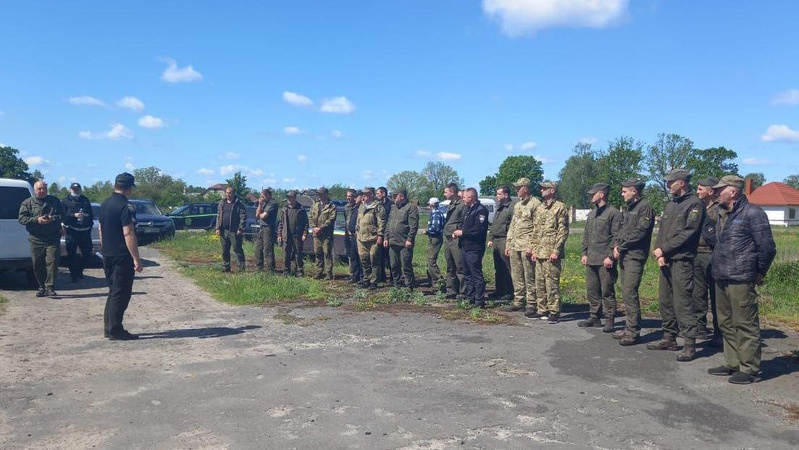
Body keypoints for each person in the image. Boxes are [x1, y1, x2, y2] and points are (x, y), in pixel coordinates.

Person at [707, 175, 776, 384]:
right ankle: (733, 362)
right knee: (726, 322)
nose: (717, 193)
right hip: (721, 274)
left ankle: (749, 368)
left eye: (720, 190)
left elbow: (767, 247)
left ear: (733, 191)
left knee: (744, 323)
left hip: (741, 276)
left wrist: (758, 272)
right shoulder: (721, 213)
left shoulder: (753, 213)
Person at [648, 169, 705, 362]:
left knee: (682, 302)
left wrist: (663, 249)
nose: (667, 185)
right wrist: (659, 252)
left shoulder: (694, 204)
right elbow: (662, 230)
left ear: (681, 183)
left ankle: (690, 344)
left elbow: (688, 233)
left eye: (670, 182)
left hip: (682, 260)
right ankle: (669, 338)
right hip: (666, 259)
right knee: (665, 300)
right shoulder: (671, 204)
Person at [99, 172, 143, 340]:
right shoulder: (126, 206)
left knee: (113, 292)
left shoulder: (105, 204)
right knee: (121, 293)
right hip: (121, 256)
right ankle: (115, 330)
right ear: (129, 188)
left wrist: (105, 250)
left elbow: (101, 230)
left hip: (108, 254)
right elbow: (128, 233)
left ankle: (108, 327)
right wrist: (136, 259)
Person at [612, 178, 655, 346]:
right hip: (625, 253)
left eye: (624, 191)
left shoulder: (645, 207)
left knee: (630, 292)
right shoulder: (630, 208)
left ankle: (633, 332)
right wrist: (617, 245)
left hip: (635, 255)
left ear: (634, 191)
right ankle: (628, 327)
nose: (622, 194)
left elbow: (640, 233)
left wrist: (621, 246)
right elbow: (623, 230)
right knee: (625, 291)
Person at [578, 183, 622, 333]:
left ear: (601, 194)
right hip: (591, 257)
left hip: (605, 259)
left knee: (607, 290)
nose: (591, 196)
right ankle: (594, 316)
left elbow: (616, 236)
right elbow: (587, 235)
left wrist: (610, 256)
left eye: (593, 193)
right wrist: (584, 253)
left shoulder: (613, 213)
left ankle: (609, 319)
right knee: (592, 290)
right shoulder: (592, 213)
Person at [529, 181, 569, 323]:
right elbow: (535, 230)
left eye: (545, 188)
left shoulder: (560, 207)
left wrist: (556, 250)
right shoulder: (540, 208)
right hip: (539, 251)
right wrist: (533, 249)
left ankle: (554, 311)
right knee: (539, 283)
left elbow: (562, 231)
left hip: (551, 252)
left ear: (552, 190)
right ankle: (542, 309)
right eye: (541, 188)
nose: (541, 190)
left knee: (551, 283)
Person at [18, 180, 64, 297]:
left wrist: (53, 219)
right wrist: (37, 220)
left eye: (44, 189)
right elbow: (22, 219)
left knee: (52, 262)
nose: (42, 191)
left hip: (52, 237)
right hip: (36, 238)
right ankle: (42, 286)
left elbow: (63, 215)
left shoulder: (54, 201)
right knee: (38, 264)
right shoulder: (27, 203)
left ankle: (50, 287)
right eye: (39, 189)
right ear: (35, 190)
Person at [506, 178, 540, 314]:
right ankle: (518, 301)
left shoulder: (535, 204)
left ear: (526, 188)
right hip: (515, 245)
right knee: (516, 275)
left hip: (527, 246)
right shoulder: (517, 205)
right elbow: (513, 225)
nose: (516, 190)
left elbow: (537, 228)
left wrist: (532, 246)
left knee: (529, 275)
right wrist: (508, 243)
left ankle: (531, 303)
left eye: (518, 187)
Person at [694, 177, 721, 345]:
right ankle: (700, 328)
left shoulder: (720, 209)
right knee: (698, 294)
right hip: (697, 253)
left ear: (710, 191)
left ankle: (719, 331)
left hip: (713, 253)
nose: (697, 192)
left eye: (700, 189)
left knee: (716, 295)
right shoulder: (698, 207)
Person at [453, 188, 489, 308]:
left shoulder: (481, 210)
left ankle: (479, 300)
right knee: (467, 273)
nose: (462, 198)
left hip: (474, 247)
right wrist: (457, 233)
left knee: (476, 274)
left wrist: (463, 232)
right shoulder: (468, 210)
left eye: (464, 196)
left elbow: (479, 229)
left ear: (471, 197)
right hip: (465, 246)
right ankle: (471, 297)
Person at [383, 189, 419, 290]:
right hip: (392, 241)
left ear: (402, 197)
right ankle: (397, 284)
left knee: (406, 265)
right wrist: (386, 237)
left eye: (395, 196)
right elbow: (389, 224)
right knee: (393, 265)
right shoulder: (393, 208)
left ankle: (409, 286)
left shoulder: (411, 208)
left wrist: (410, 239)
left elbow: (413, 226)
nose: (393, 198)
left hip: (404, 242)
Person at [62, 182, 94, 282]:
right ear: (70, 189)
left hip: (85, 231)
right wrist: (73, 215)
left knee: (87, 254)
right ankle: (73, 275)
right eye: (74, 189)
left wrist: (89, 222)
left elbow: (90, 213)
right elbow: (63, 215)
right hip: (72, 231)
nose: (76, 190)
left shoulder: (85, 200)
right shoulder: (65, 200)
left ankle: (80, 271)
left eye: (77, 189)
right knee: (71, 254)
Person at [487, 185, 514, 302]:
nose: (497, 196)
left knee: (507, 266)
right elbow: (494, 224)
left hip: (505, 239)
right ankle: (499, 289)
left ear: (505, 195)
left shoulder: (512, 207)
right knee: (498, 267)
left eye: (499, 194)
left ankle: (509, 291)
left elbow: (513, 225)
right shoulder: (499, 206)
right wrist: (490, 238)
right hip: (496, 239)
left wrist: (510, 242)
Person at [356, 187, 385, 290]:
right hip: (361, 237)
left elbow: (381, 222)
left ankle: (374, 281)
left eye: (366, 194)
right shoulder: (361, 206)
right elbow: (358, 221)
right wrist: (357, 232)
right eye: (363, 194)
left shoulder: (377, 206)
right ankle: (366, 279)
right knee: (364, 259)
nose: (363, 196)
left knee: (374, 259)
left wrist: (380, 235)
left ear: (371, 194)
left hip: (373, 238)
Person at [214, 187, 247, 273]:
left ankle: (241, 269)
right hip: (223, 230)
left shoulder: (238, 204)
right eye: (227, 193)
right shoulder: (222, 203)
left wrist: (240, 228)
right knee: (225, 250)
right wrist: (217, 228)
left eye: (230, 193)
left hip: (234, 231)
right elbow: (218, 216)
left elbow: (243, 217)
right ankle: (226, 267)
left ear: (233, 194)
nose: (228, 194)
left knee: (237, 249)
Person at [442, 183, 466, 299]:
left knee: (459, 265)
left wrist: (458, 231)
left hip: (456, 239)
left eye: (446, 192)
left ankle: (463, 291)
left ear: (452, 192)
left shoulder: (461, 205)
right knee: (450, 265)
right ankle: (451, 289)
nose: (444, 194)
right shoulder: (451, 204)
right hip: (447, 238)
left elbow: (463, 222)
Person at [277, 191, 308, 277]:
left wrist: (304, 234)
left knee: (298, 254)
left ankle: (300, 271)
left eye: (291, 197)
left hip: (297, 235)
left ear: (294, 198)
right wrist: (279, 234)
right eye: (288, 198)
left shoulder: (300, 209)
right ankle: (286, 271)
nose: (289, 199)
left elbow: (306, 223)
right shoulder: (284, 209)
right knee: (286, 254)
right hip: (286, 235)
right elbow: (280, 223)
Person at [310, 186, 337, 280]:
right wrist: (314, 227)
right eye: (318, 194)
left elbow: (331, 220)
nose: (319, 196)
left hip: (326, 234)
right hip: (316, 234)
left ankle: (328, 273)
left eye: (321, 194)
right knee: (318, 253)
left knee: (327, 253)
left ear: (326, 194)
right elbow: (310, 217)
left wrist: (320, 228)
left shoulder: (332, 206)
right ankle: (318, 272)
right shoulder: (315, 205)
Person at [421, 197, 444, 291]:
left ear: (432, 205)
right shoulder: (436, 213)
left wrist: (427, 231)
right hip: (434, 238)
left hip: (435, 238)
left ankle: (440, 282)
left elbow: (436, 228)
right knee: (429, 259)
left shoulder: (436, 214)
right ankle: (432, 280)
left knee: (431, 260)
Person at [254, 188, 278, 273]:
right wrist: (260, 205)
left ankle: (270, 269)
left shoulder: (272, 204)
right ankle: (259, 267)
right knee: (258, 248)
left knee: (268, 249)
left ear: (268, 195)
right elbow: (257, 215)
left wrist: (260, 213)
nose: (261, 198)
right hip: (261, 228)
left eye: (263, 196)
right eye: (261, 197)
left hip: (268, 228)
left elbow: (264, 216)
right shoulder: (263, 204)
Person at [343, 189, 363, 284]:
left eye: (353, 196)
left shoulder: (360, 208)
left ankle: (361, 277)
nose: (350, 198)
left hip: (358, 235)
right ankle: (354, 275)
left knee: (359, 257)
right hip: (348, 234)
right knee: (352, 256)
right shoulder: (347, 207)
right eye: (348, 196)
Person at [375, 186, 392, 283]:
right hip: (379, 234)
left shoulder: (390, 205)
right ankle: (382, 277)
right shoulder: (377, 205)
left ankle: (393, 278)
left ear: (383, 194)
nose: (377, 195)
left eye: (378, 193)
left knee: (389, 257)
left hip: (389, 234)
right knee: (380, 257)